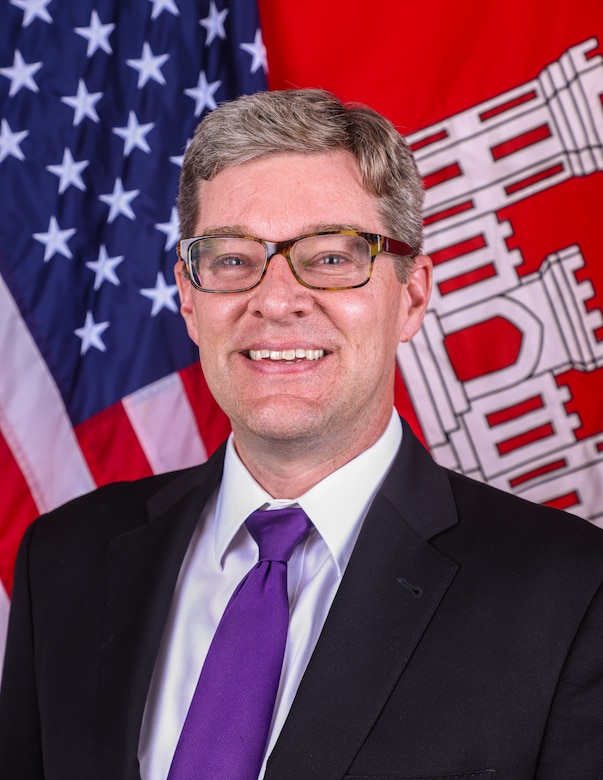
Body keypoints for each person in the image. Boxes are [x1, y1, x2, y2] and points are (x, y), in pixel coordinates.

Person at [1, 88, 602, 780]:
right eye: (231, 259)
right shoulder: (66, 558)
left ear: (410, 296)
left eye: (331, 257)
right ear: (189, 301)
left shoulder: (570, 596)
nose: (277, 298)